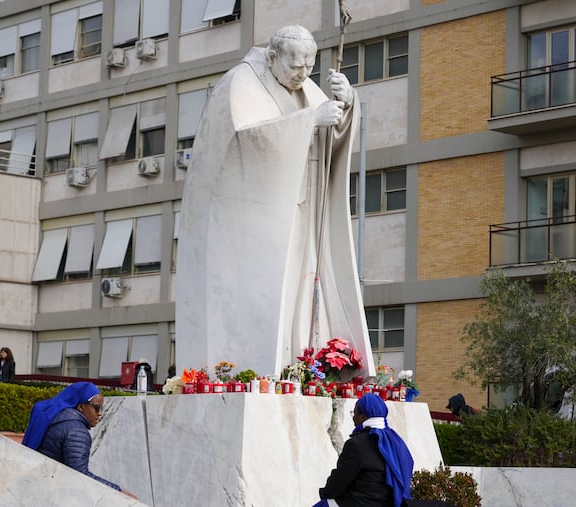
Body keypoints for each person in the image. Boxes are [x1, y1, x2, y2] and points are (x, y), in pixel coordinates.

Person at [176, 24, 374, 378]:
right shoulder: (239, 84)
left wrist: (347, 105)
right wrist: (310, 120)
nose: (303, 74)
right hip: (259, 223)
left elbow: (329, 140)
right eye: (296, 66)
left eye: (309, 67)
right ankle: (267, 369)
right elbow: (241, 142)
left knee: (304, 290)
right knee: (275, 294)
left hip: (304, 212)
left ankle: (303, 365)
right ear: (272, 57)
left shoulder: (307, 88)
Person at [22, 382, 136, 498]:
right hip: (50, 493)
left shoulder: (54, 417)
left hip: (35, 484)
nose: (100, 413)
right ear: (81, 407)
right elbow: (80, 475)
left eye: (102, 408)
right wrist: (118, 491)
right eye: (96, 408)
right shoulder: (76, 431)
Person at [315, 394, 414, 507]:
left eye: (354, 413)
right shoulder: (396, 442)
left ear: (363, 416)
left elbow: (339, 482)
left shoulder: (356, 444)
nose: (353, 418)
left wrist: (324, 493)